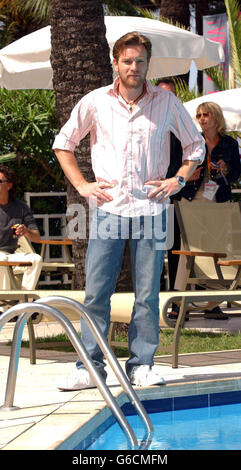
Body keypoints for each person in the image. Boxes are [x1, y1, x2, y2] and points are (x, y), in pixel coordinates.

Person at [53, 31, 205, 389]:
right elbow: (64, 144)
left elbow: (195, 147)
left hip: (151, 211)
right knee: (96, 291)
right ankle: (89, 367)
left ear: (148, 64)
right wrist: (82, 186)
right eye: (127, 60)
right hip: (109, 211)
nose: (134, 67)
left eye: (140, 61)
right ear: (115, 63)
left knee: (148, 293)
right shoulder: (95, 101)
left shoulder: (167, 103)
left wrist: (177, 181)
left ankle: (142, 365)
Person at [174, 101, 241, 320]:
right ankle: (178, 301)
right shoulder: (191, 140)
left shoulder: (229, 144)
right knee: (188, 250)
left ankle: (213, 304)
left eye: (206, 115)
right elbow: (175, 168)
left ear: (216, 117)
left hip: (216, 200)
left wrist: (225, 169)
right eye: (199, 115)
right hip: (190, 199)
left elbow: (235, 175)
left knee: (216, 249)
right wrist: (185, 176)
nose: (202, 119)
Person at [156, 78, 185, 319]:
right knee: (153, 251)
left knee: (175, 252)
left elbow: (191, 157)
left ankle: (174, 302)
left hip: (174, 200)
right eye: (164, 94)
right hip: (151, 201)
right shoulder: (147, 125)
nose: (169, 100)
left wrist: (177, 181)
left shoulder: (180, 127)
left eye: (172, 95)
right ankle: (155, 301)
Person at [0, 165, 42, 297]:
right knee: (1, 259)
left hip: (10, 253)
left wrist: (26, 231)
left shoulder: (21, 208)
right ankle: (3, 307)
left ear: (9, 185)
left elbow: (37, 238)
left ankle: (24, 301)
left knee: (36, 259)